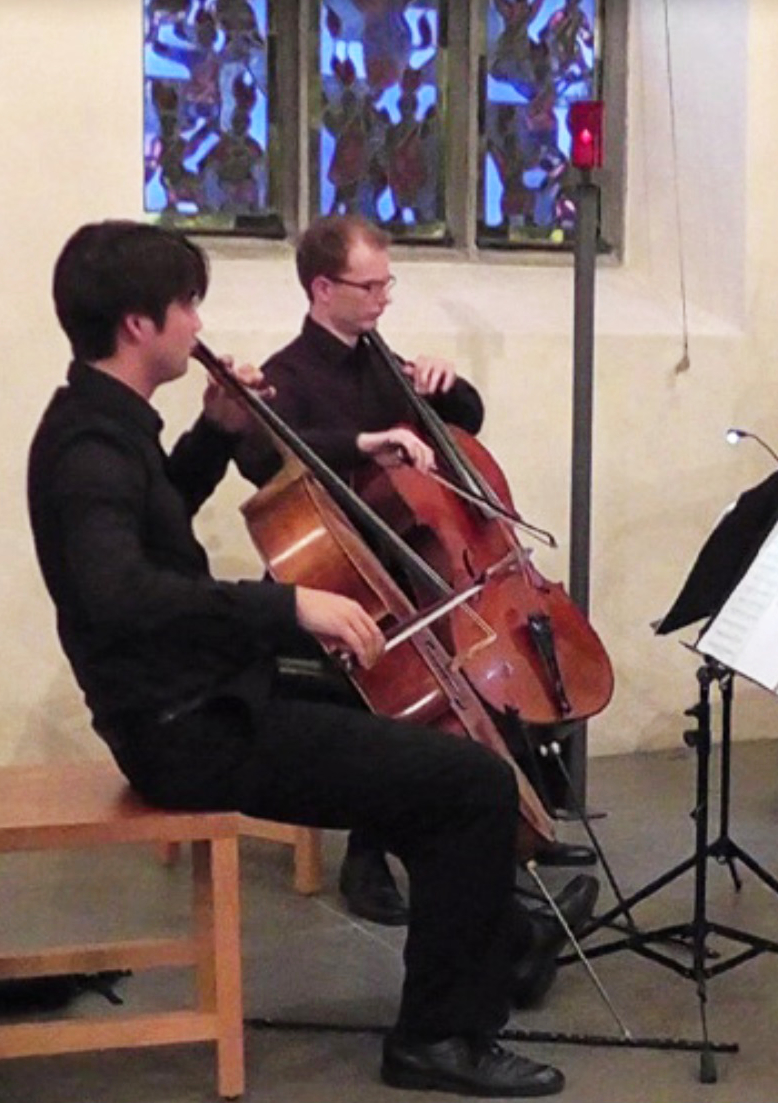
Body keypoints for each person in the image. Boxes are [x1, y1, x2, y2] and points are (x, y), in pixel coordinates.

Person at [27, 220, 568, 1096]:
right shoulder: (88, 449)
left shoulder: (103, 422)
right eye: (187, 305)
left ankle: (499, 939)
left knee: (398, 709)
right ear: (138, 324)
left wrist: (214, 433)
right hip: (187, 726)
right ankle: (437, 1036)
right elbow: (119, 595)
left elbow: (159, 519)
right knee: (470, 783)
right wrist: (286, 605)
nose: (198, 324)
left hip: (203, 691)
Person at [238, 213, 595, 927]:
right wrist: (364, 441)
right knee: (404, 696)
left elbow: (465, 425)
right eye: (368, 286)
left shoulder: (383, 361)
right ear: (322, 288)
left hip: (412, 578)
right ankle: (369, 857)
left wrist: (448, 387)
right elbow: (256, 455)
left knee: (485, 661)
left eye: (386, 283)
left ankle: (513, 824)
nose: (383, 298)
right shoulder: (286, 375)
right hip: (334, 586)